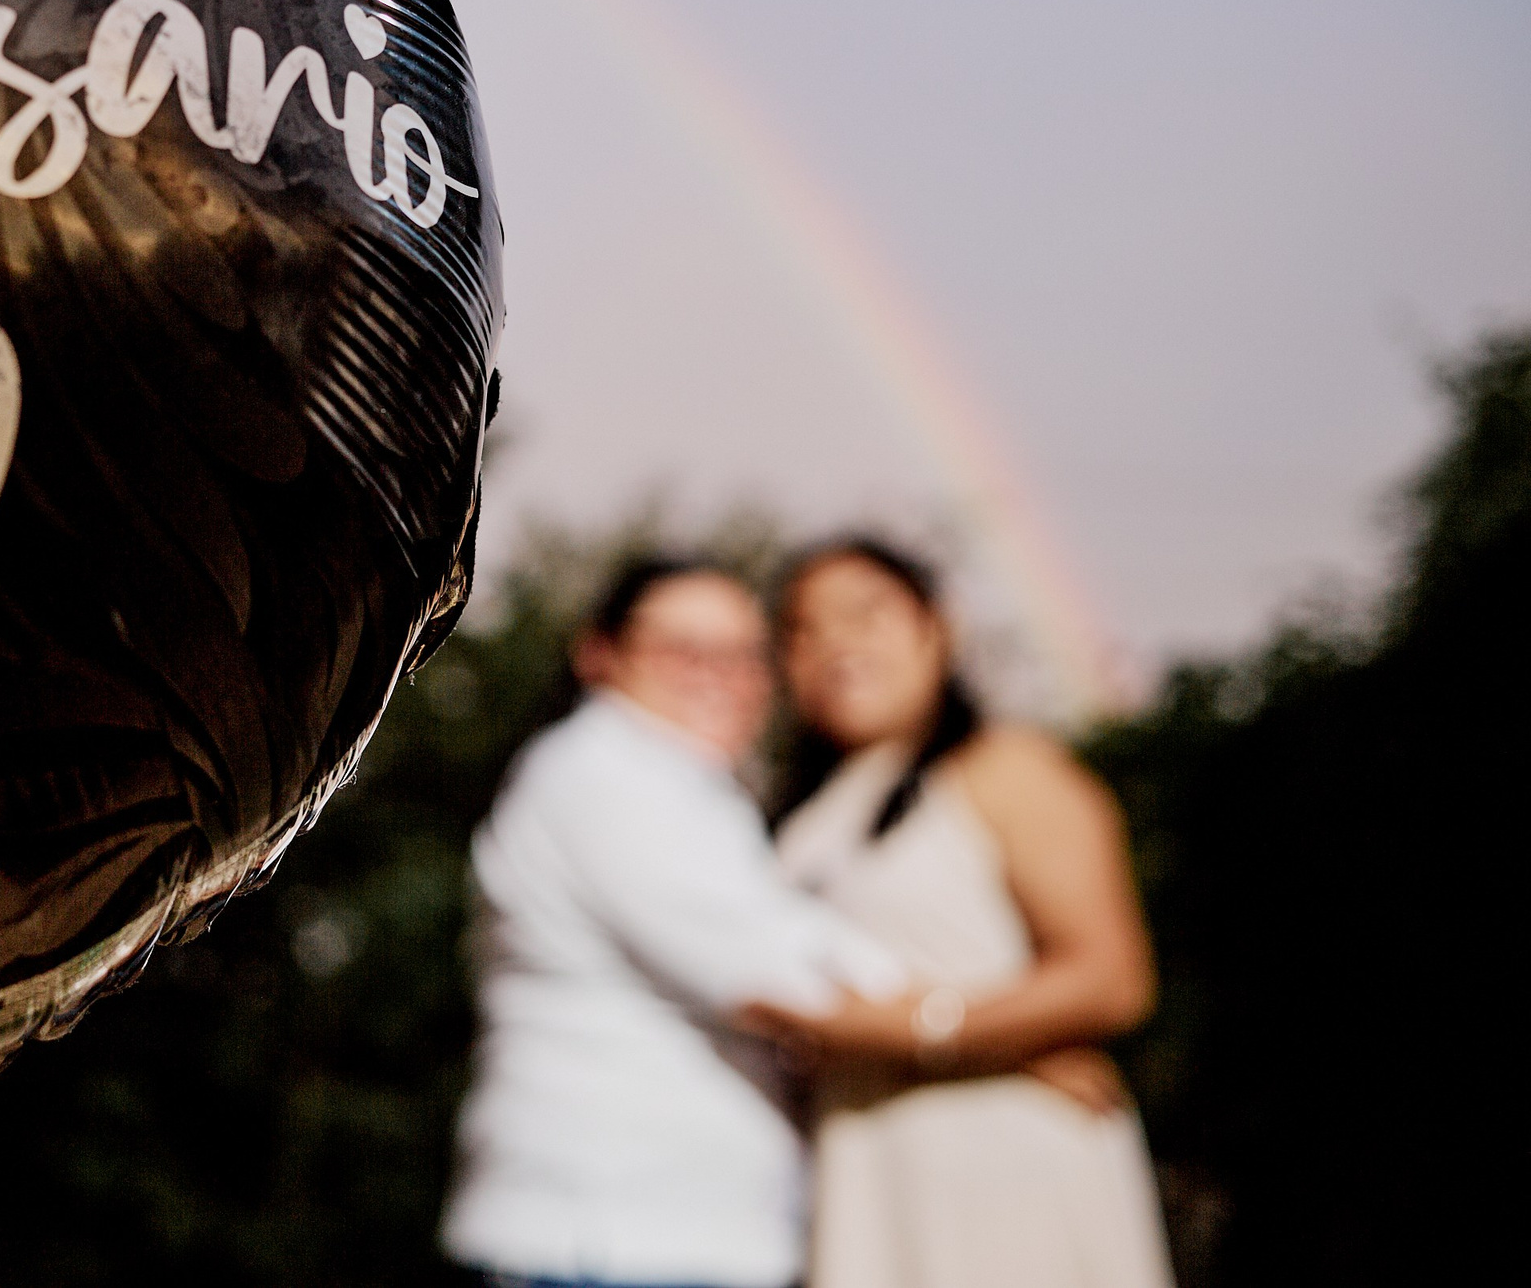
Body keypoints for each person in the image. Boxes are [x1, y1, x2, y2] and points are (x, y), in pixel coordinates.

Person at [442, 556, 907, 1288]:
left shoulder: (688, 788)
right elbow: (777, 976)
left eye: (746, 655)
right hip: (611, 1237)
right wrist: (992, 1028)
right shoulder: (600, 775)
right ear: (599, 654)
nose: (720, 675)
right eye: (684, 650)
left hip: (671, 1236)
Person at [747, 537, 1176, 1288]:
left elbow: (1112, 978)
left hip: (996, 1163)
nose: (833, 644)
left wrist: (933, 1031)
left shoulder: (1007, 767)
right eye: (802, 631)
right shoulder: (808, 813)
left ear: (935, 627)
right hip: (864, 1157)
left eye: (864, 614)